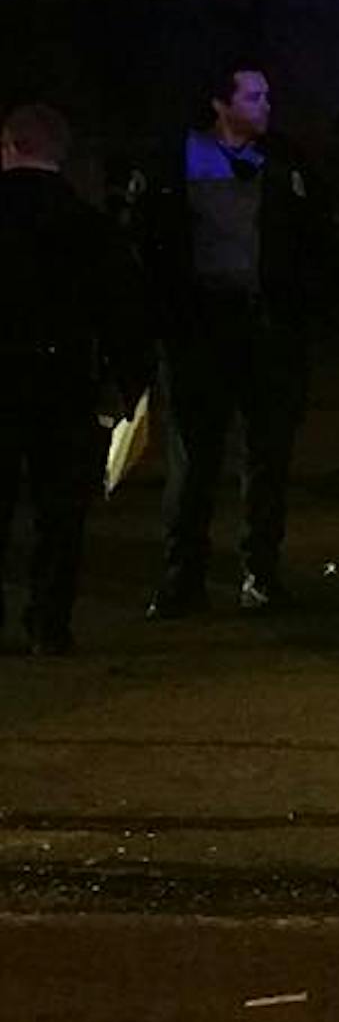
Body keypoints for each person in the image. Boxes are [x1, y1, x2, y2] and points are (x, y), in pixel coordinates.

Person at [139, 59, 339, 618]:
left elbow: (317, 241)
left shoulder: (282, 161)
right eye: (253, 97)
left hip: (264, 328)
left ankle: (259, 572)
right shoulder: (177, 161)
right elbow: (152, 243)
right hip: (201, 328)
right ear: (220, 103)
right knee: (195, 458)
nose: (265, 106)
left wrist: (301, 305)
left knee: (266, 457)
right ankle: (186, 575)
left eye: (265, 96)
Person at [0, 104, 152, 654]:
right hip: (64, 378)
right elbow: (122, 312)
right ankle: (49, 621)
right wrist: (130, 383)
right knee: (60, 510)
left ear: (9, 146)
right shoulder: (88, 226)